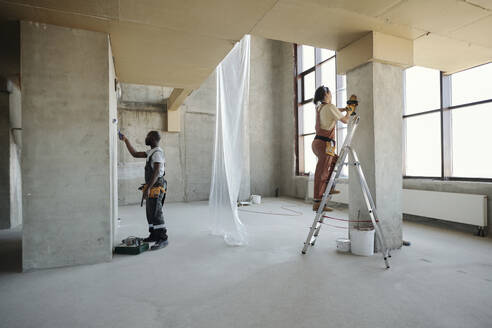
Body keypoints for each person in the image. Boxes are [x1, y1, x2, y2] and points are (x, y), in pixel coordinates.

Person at [119, 130, 168, 250]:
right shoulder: (151, 152)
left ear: (153, 138)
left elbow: (156, 172)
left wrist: (149, 187)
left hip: (156, 185)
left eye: (147, 136)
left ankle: (162, 238)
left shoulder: (157, 153)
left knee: (156, 212)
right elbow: (135, 154)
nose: (145, 138)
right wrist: (126, 140)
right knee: (150, 212)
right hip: (152, 185)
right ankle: (153, 235)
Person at [311, 86, 355, 212]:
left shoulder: (320, 107)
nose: (331, 95)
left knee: (336, 161)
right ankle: (317, 202)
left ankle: (328, 188)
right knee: (322, 172)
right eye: (330, 93)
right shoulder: (330, 107)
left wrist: (345, 108)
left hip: (318, 143)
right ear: (326, 95)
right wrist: (350, 111)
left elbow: (334, 109)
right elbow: (345, 120)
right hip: (325, 144)